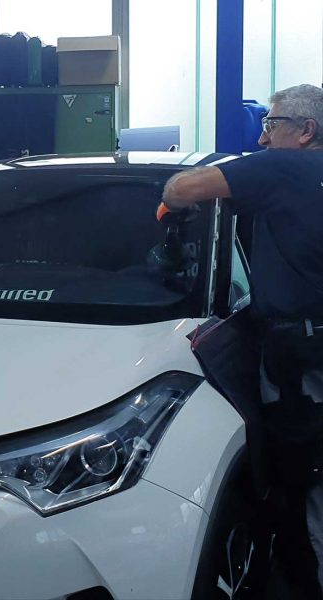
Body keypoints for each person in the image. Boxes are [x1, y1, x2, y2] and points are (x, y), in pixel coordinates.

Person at [159, 83, 323, 597]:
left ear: (306, 131)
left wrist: (170, 197)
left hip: (303, 358)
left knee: (305, 477)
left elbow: (180, 190)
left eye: (271, 125)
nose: (262, 137)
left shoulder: (283, 168)